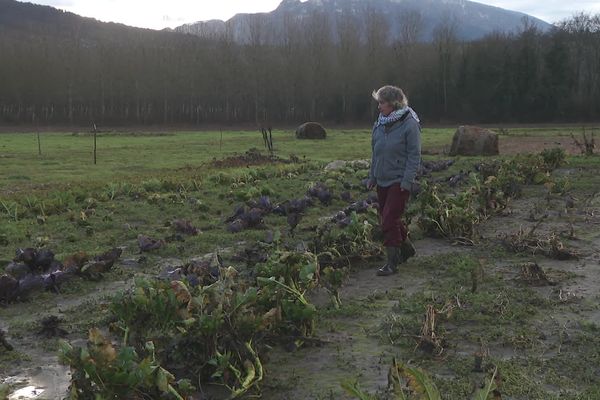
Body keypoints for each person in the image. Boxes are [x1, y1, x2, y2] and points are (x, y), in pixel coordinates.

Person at [367, 85, 421, 276]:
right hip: (382, 179)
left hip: (399, 180)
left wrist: (407, 182)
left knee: (389, 219)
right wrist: (372, 176)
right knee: (390, 218)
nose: (379, 107)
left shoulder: (409, 123)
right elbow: (376, 152)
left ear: (393, 103)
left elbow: (414, 155)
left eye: (382, 103)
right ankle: (406, 249)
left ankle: (392, 262)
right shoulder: (380, 123)